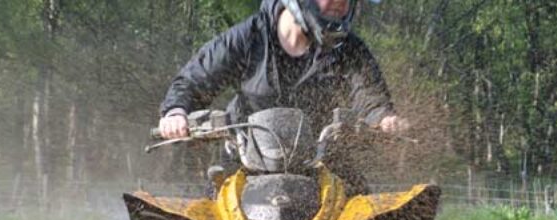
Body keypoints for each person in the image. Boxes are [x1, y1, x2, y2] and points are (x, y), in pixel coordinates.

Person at [158, 0, 409, 141]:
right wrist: (176, 112)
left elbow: (369, 97)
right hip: (244, 160)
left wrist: (383, 119)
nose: (341, 2)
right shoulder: (249, 37)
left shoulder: (349, 49)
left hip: (321, 163)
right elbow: (194, 81)